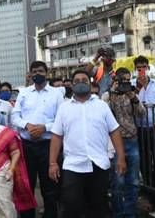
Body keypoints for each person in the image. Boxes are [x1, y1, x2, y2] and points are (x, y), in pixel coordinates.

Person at [49, 69, 126, 218]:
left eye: (84, 80)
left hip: (99, 163)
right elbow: (57, 136)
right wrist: (52, 163)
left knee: (98, 207)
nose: (80, 83)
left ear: (90, 84)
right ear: (71, 85)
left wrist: (121, 158)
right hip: (73, 165)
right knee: (71, 207)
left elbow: (114, 131)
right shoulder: (64, 108)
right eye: (76, 81)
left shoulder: (101, 106)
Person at [11, 61, 65, 218]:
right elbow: (15, 116)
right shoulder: (24, 93)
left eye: (40, 71)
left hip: (48, 146)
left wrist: (44, 128)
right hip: (26, 146)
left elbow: (61, 119)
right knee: (26, 186)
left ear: (47, 73)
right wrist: (27, 125)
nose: (37, 74)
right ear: (30, 74)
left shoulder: (56, 94)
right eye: (34, 71)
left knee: (50, 188)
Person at [105, 68, 146, 218]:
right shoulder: (108, 96)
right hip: (116, 142)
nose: (127, 84)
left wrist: (133, 97)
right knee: (118, 182)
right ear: (116, 81)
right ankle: (119, 213)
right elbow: (104, 116)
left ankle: (130, 213)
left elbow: (142, 114)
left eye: (129, 80)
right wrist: (112, 94)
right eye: (124, 81)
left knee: (133, 182)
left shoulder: (131, 94)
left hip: (132, 140)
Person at [134, 55, 155, 195]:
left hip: (154, 128)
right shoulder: (132, 86)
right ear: (135, 69)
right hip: (139, 129)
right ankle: (148, 189)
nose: (141, 70)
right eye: (138, 68)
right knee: (144, 162)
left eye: (144, 67)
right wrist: (137, 88)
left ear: (148, 68)